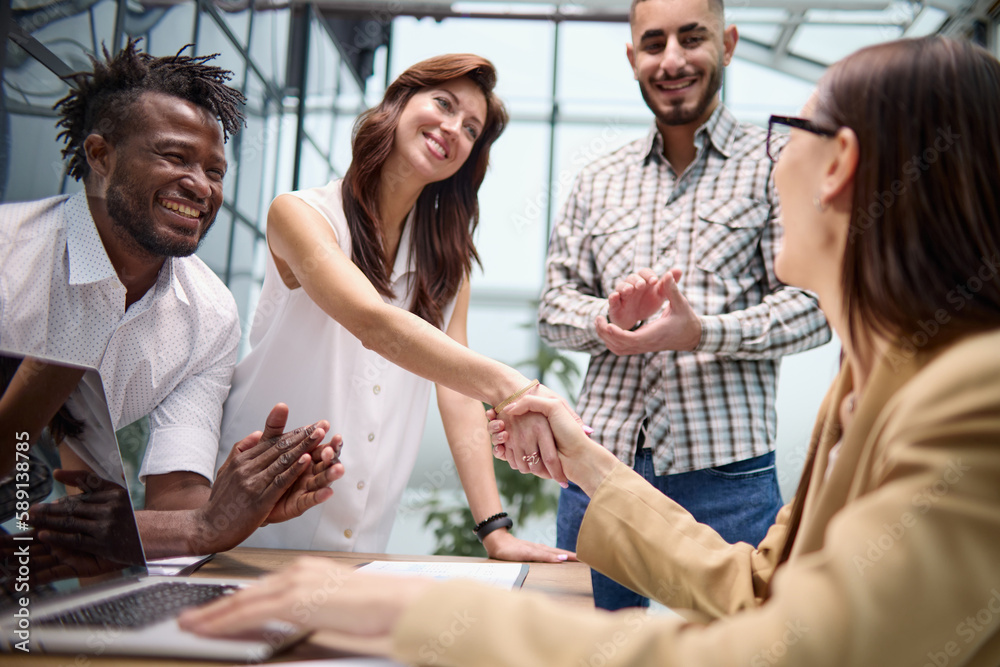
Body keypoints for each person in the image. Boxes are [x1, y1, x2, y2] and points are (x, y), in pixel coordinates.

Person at [181, 34, 1000, 666]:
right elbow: (758, 588)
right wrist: (585, 456)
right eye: (443, 107)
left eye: (794, 131)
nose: (773, 155)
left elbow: (784, 646)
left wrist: (425, 608)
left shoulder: (971, 396)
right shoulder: (866, 388)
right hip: (265, 503)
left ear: (841, 165)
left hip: (715, 466)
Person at [215, 54, 572, 561]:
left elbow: (457, 394)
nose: (453, 129)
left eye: (471, 128)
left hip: (361, 537)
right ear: (399, 103)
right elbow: (373, 322)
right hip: (254, 525)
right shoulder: (301, 215)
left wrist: (496, 531)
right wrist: (515, 388)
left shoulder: (447, 266)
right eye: (443, 104)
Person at [534, 0, 830, 609]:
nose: (672, 60)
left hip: (730, 480)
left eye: (692, 39)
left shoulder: (778, 166)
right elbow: (552, 307)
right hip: (598, 469)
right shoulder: (597, 179)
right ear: (632, 57)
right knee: (591, 649)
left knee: (745, 648)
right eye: (654, 43)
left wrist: (701, 332)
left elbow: (816, 308)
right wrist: (605, 320)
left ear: (729, 44)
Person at [0, 40, 343, 559]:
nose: (201, 187)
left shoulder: (209, 313)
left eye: (214, 170)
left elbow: (177, 501)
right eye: (174, 156)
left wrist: (230, 510)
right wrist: (202, 525)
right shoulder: (10, 257)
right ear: (101, 156)